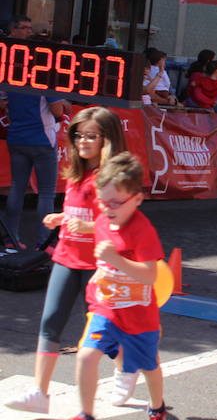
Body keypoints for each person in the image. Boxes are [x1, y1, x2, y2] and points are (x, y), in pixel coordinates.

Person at [3, 108, 127, 414]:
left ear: (107, 139)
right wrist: (62, 217)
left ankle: (125, 371)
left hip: (99, 265)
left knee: (103, 329)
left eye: (91, 136)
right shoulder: (76, 169)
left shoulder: (114, 177)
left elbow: (122, 225)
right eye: (78, 135)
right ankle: (39, 393)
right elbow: (81, 211)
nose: (82, 141)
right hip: (66, 257)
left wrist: (88, 227)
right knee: (49, 324)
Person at [74, 152, 167, 420]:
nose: (107, 208)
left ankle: (157, 406)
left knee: (149, 367)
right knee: (86, 356)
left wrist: (114, 259)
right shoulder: (104, 220)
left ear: (137, 199)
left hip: (139, 316)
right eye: (102, 202)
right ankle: (86, 413)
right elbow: (103, 249)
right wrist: (101, 271)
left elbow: (151, 276)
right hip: (106, 308)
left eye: (116, 202)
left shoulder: (142, 230)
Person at [0, 88, 65, 250]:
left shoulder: (11, 75)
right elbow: (57, 110)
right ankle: (44, 243)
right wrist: (63, 104)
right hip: (42, 140)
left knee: (17, 188)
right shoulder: (46, 77)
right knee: (46, 193)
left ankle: (10, 240)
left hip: (16, 139)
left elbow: (2, 102)